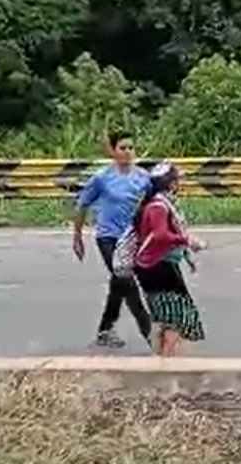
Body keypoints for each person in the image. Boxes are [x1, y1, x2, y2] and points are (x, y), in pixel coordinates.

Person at [72, 130, 153, 348]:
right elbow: (82, 205)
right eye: (122, 148)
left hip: (131, 238)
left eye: (130, 148)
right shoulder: (102, 178)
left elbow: (153, 206)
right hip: (108, 237)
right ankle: (150, 332)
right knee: (128, 283)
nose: (127, 152)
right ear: (113, 151)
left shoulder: (143, 178)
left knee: (118, 285)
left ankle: (104, 330)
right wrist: (77, 236)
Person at [126, 162, 206, 357]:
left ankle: (161, 360)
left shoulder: (159, 203)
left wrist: (187, 256)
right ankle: (167, 365)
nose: (181, 183)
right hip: (158, 267)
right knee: (176, 318)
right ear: (170, 184)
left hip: (155, 267)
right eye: (178, 180)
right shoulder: (159, 206)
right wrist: (187, 240)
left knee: (164, 317)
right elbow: (161, 235)